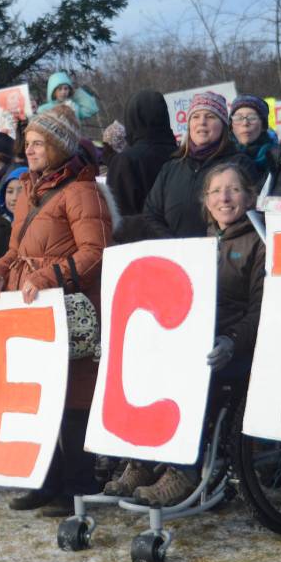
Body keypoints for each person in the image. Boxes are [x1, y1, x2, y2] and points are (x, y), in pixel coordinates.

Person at [0, 105, 116, 517]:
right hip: (33, 307)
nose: (30, 151)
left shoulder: (83, 192)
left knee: (73, 400)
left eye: (38, 144)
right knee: (42, 399)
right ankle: (46, 480)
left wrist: (48, 278)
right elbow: (16, 251)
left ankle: (75, 486)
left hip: (71, 309)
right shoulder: (28, 191)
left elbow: (97, 252)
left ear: (58, 147)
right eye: (29, 144)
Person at [106, 162, 264, 505]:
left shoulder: (260, 243)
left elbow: (261, 311)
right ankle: (142, 461)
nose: (225, 197)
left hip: (237, 347)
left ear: (249, 197)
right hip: (199, 339)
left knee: (187, 373)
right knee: (142, 367)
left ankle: (182, 471)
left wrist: (231, 341)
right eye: (216, 191)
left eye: (234, 189)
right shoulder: (201, 243)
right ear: (205, 200)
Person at [136, 92, 253, 239]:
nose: (202, 122)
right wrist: (174, 245)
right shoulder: (171, 167)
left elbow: (251, 212)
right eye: (195, 117)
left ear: (223, 125)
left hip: (226, 256)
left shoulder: (240, 164)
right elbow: (150, 215)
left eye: (210, 116)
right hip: (176, 256)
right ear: (189, 125)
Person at [105, 90, 179, 216]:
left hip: (141, 234)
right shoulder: (182, 154)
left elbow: (116, 215)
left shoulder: (126, 161)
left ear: (132, 118)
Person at [229, 94, 277, 185]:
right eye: (238, 118)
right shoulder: (221, 159)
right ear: (231, 125)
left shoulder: (278, 158)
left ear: (263, 125)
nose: (245, 123)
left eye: (252, 118)